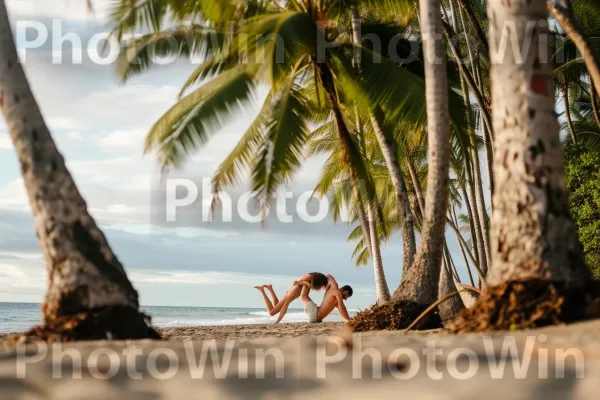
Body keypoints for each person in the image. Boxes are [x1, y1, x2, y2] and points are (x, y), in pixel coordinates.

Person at [254, 273, 353, 323]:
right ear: (345, 292)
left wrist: (327, 287)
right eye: (346, 297)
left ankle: (270, 289)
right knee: (273, 311)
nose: (345, 299)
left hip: (308, 302)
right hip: (309, 307)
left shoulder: (333, 289)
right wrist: (349, 320)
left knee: (276, 308)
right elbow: (342, 308)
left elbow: (328, 276)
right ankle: (263, 291)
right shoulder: (337, 293)